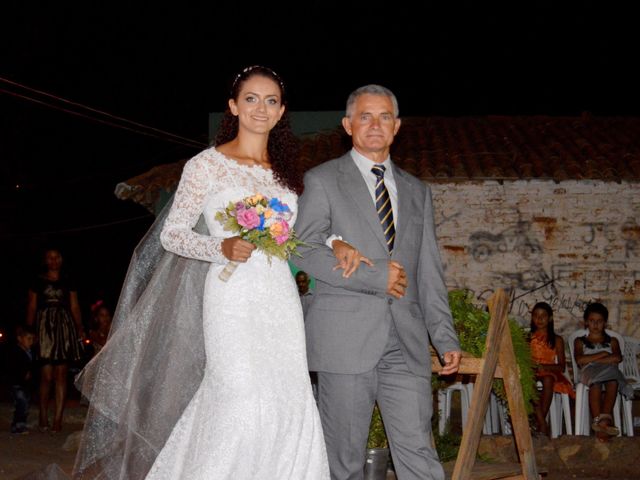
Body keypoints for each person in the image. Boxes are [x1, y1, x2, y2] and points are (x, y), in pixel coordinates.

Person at [73, 66, 334, 479]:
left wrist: (338, 243)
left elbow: (306, 232)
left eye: (271, 101)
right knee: (238, 394)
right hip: (230, 296)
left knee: (288, 394)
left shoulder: (286, 173)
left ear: (282, 112)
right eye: (251, 98)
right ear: (233, 106)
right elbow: (172, 235)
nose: (260, 108)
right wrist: (220, 246)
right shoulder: (206, 165)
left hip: (279, 297)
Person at [292, 84, 462, 480]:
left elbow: (428, 271)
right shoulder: (322, 180)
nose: (374, 124)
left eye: (384, 116)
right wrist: (373, 277)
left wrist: (444, 336)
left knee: (418, 450)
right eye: (364, 116)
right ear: (348, 125)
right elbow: (300, 248)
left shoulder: (418, 191)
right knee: (346, 461)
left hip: (406, 338)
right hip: (344, 340)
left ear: (397, 126)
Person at [26, 247, 84, 433]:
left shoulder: (69, 279)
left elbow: (74, 306)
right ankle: (43, 415)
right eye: (50, 257)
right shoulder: (37, 280)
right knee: (46, 375)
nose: (53, 260)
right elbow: (32, 306)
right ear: (45, 260)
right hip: (44, 327)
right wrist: (29, 330)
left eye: (57, 257)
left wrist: (79, 328)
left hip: (63, 327)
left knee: (61, 374)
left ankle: (58, 419)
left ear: (61, 259)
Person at [574, 302, 633, 442]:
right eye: (592, 321)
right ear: (586, 322)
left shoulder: (612, 341)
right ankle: (597, 421)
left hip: (608, 372)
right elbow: (580, 360)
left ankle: (603, 422)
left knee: (613, 381)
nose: (595, 324)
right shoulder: (580, 341)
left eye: (599, 321)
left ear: (605, 323)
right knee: (596, 383)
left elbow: (617, 357)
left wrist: (592, 359)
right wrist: (603, 354)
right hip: (589, 373)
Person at [528, 302, 574, 436]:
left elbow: (561, 366)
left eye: (543, 316)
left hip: (549, 370)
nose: (539, 319)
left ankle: (539, 420)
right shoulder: (528, 337)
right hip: (531, 371)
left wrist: (543, 366)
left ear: (550, 318)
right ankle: (542, 423)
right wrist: (532, 367)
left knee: (548, 379)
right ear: (532, 318)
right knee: (529, 382)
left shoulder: (557, 339)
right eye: (536, 316)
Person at [8, 324, 36, 434]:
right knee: (21, 402)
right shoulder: (15, 352)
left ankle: (19, 424)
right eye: (28, 338)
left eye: (32, 339)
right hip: (16, 384)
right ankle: (18, 425)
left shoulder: (30, 352)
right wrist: (22, 374)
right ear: (20, 339)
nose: (31, 341)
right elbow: (12, 368)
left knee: (24, 404)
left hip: (25, 385)